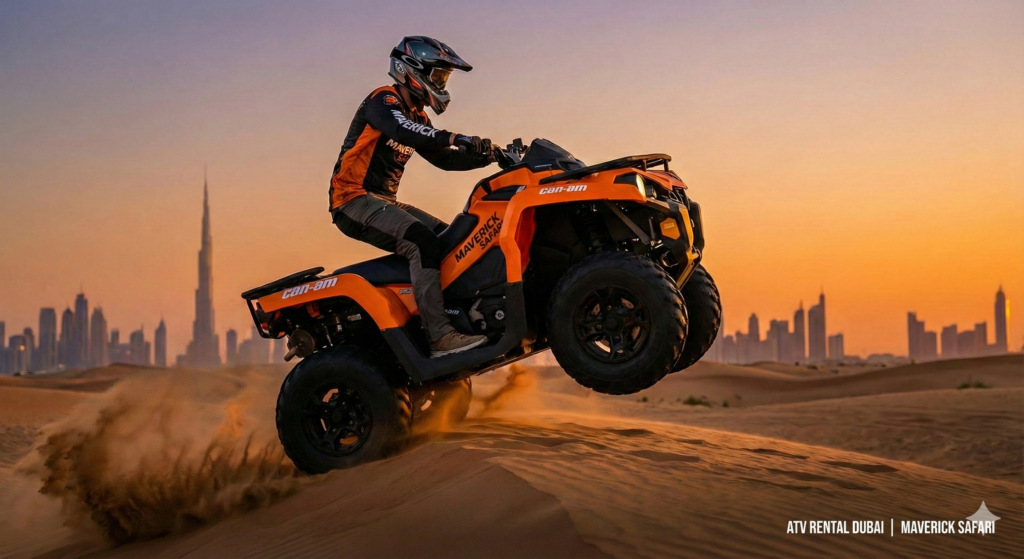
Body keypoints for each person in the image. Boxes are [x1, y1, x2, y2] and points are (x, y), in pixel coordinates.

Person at [329, 36, 494, 357]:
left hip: (382, 202)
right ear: (411, 71)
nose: (442, 84)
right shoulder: (383, 100)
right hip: (352, 200)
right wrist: (456, 137)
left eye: (444, 78)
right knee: (422, 242)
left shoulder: (417, 116)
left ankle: (457, 318)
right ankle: (439, 336)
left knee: (451, 239)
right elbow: (402, 130)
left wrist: (489, 155)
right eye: (439, 76)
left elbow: (443, 158)